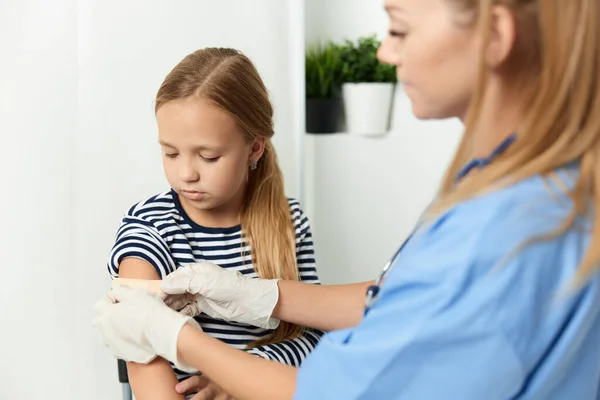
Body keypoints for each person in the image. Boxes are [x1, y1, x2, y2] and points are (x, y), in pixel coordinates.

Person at [94, 0, 600, 398]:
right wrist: (266, 296)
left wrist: (181, 339)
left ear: (495, 37)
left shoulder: (503, 229)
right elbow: (395, 300)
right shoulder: (527, 192)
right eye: (171, 152)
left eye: (398, 27)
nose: (383, 52)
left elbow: (332, 388)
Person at [105, 47, 323, 399]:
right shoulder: (150, 227)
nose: (186, 173)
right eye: (170, 153)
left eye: (208, 156)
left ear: (254, 148)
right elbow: (141, 353)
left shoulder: (288, 220)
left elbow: (311, 336)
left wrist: (242, 374)